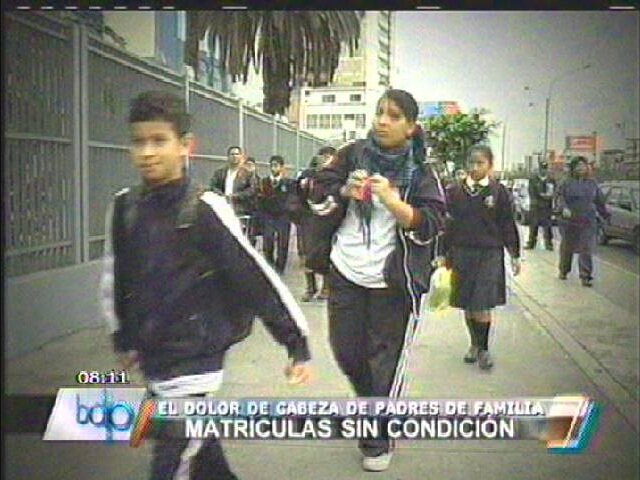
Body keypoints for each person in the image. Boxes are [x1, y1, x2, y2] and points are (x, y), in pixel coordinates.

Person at [100, 91, 312, 480]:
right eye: (139, 141)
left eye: (159, 140)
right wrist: (123, 336)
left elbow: (255, 278)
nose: (147, 152)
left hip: (196, 361)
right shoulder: (124, 207)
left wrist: (296, 342)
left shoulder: (204, 209)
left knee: (172, 463)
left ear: (186, 146)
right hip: (154, 359)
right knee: (204, 461)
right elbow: (115, 277)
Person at [307, 89, 446, 472]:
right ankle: (372, 405)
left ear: (411, 127)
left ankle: (376, 438)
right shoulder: (352, 154)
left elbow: (432, 223)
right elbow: (315, 191)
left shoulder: (421, 171)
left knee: (384, 364)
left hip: (392, 283)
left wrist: (393, 201)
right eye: (379, 113)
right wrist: (343, 190)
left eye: (394, 116)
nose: (383, 121)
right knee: (347, 352)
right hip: (345, 272)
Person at [444, 145, 521, 371]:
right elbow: (447, 225)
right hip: (462, 253)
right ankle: (474, 344)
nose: (475, 167)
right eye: (472, 163)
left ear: (490, 165)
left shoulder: (499, 192)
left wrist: (514, 254)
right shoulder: (454, 191)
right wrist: (441, 253)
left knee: (481, 302)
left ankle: (484, 349)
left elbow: (507, 223)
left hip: (489, 253)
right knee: (468, 303)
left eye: (480, 163)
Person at [555, 156, 610, 287]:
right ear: (573, 168)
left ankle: (585, 276)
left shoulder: (592, 183)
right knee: (567, 247)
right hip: (569, 221)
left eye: (583, 166)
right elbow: (559, 198)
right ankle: (564, 270)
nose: (581, 168)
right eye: (578, 166)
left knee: (586, 248)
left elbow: (599, 201)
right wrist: (564, 208)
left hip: (587, 221)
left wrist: (605, 214)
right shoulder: (566, 182)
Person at [295, 149, 334, 302]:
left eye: (329, 157)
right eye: (323, 156)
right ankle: (310, 287)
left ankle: (326, 287)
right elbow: (298, 195)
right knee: (307, 253)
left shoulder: (335, 177)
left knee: (325, 253)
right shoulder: (307, 175)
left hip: (327, 220)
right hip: (308, 219)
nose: (325, 159)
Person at [257, 155, 296, 274]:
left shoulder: (288, 183)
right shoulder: (264, 182)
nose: (274, 168)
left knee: (283, 242)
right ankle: (269, 264)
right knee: (268, 240)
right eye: (272, 165)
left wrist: (288, 209)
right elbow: (259, 198)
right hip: (268, 215)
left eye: (277, 165)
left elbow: (292, 198)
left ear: (282, 167)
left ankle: (280, 268)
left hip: (283, 216)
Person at [209, 145, 256, 221]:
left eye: (237, 154)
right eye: (232, 154)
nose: (234, 156)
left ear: (241, 156)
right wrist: (222, 196)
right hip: (221, 207)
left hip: (239, 210)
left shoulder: (247, 173)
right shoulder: (220, 172)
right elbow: (212, 186)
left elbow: (251, 190)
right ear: (228, 156)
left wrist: (235, 196)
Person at [525, 161, 556, 250]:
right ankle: (531, 243)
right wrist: (538, 198)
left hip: (547, 207)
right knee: (533, 226)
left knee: (547, 226)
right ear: (539, 169)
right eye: (542, 169)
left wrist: (548, 197)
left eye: (545, 169)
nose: (543, 171)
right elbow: (531, 192)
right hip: (536, 206)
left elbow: (553, 192)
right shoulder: (533, 180)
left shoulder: (551, 180)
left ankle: (549, 244)